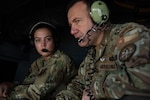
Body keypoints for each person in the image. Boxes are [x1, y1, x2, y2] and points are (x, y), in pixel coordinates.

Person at [55, 0, 150, 100]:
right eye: (71, 26)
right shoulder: (91, 54)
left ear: (99, 16)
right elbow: (79, 85)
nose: (72, 31)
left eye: (77, 21)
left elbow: (144, 76)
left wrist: (96, 90)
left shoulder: (128, 34)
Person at [0, 21, 77, 100]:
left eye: (48, 39)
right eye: (38, 40)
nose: (43, 44)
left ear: (55, 40)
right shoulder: (38, 63)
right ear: (33, 43)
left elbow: (37, 92)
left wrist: (6, 96)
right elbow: (27, 84)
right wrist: (9, 85)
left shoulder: (61, 60)